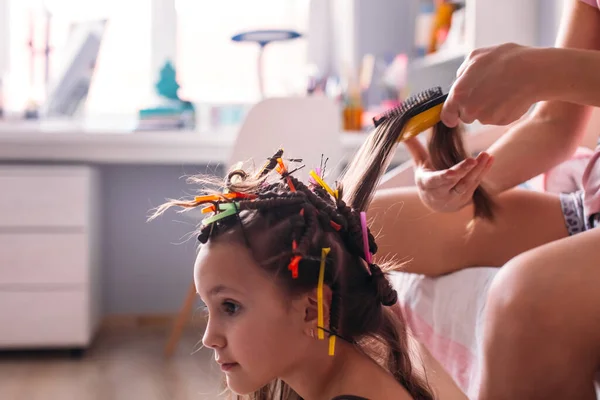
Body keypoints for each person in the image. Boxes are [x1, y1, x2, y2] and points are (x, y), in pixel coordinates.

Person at [367, 0, 600, 399]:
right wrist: (469, 184)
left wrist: (544, 71)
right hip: (589, 205)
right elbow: (554, 124)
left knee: (522, 297)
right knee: (357, 225)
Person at [150, 138, 473, 399]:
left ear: (311, 309)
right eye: (210, 309)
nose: (209, 338)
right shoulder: (327, 372)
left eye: (230, 307)